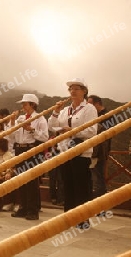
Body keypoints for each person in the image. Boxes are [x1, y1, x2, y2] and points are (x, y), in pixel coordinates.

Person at [48, 78, 97, 229]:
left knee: (81, 186)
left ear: (84, 91)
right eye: (71, 89)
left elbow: (92, 131)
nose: (73, 91)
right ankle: (68, 217)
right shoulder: (65, 110)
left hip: (81, 152)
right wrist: (56, 112)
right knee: (67, 185)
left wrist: (73, 131)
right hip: (65, 151)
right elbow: (52, 126)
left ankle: (82, 219)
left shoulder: (89, 109)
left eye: (77, 88)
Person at [9, 94, 49, 220]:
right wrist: (12, 122)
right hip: (20, 148)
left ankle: (32, 209)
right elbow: (13, 135)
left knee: (31, 180)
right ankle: (23, 207)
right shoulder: (20, 118)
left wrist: (31, 130)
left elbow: (45, 137)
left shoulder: (40, 118)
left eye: (25, 104)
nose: (23, 106)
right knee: (21, 179)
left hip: (31, 149)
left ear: (32, 104)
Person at [87, 95, 111, 199]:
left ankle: (100, 204)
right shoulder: (94, 114)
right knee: (93, 177)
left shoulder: (108, 115)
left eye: (91, 104)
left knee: (98, 178)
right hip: (91, 150)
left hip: (100, 151)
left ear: (97, 103)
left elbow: (106, 133)